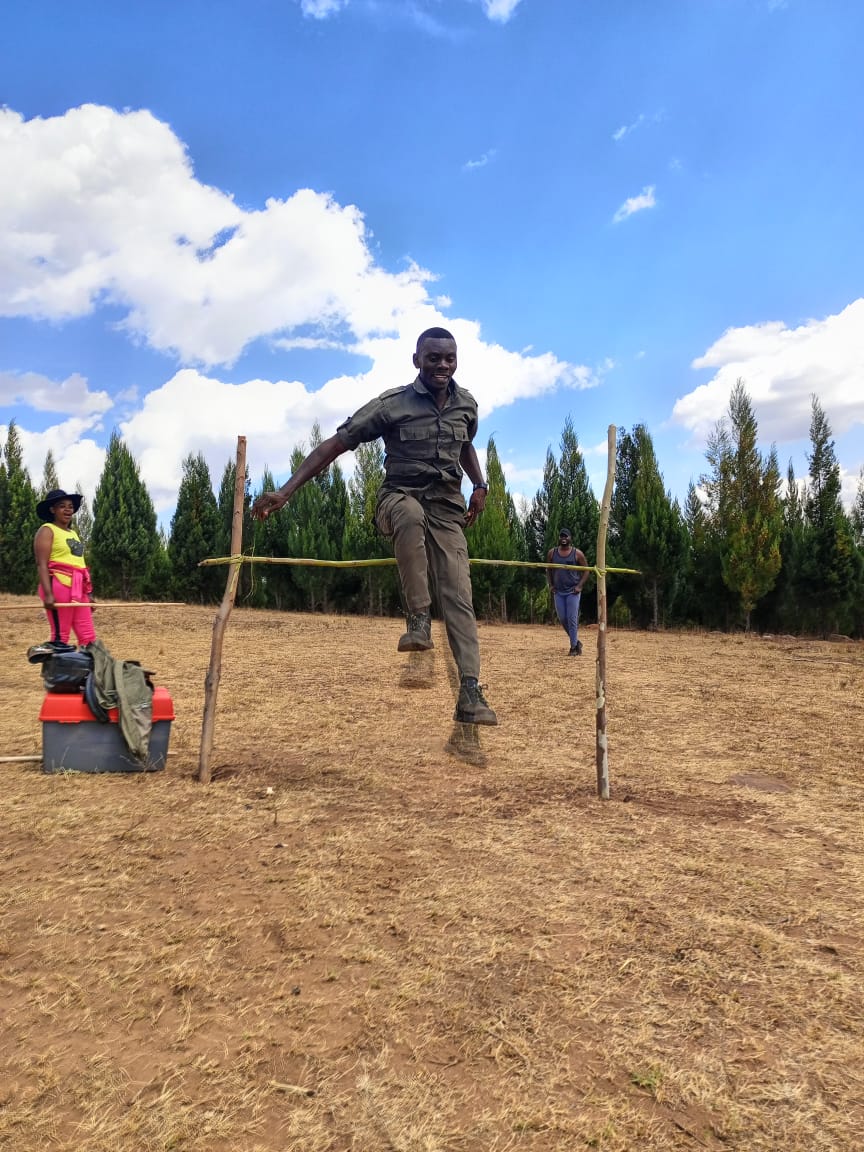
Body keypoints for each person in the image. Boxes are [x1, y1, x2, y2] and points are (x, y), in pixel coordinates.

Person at [252, 327, 497, 725]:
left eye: (449, 358)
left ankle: (470, 691)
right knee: (410, 515)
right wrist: (286, 491)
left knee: (459, 592)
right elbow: (335, 444)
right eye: (433, 357)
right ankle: (417, 619)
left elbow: (466, 444)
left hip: (446, 508)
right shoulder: (390, 405)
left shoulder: (465, 403)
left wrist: (480, 484)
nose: (442, 365)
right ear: (416, 360)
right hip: (397, 499)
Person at [33, 488, 97, 648]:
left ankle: (88, 672)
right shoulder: (47, 530)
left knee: (88, 636)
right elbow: (42, 563)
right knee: (61, 636)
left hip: (78, 588)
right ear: (52, 509)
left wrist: (88, 594)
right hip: (58, 585)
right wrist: (48, 594)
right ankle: (57, 673)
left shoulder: (73, 533)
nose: (68, 509)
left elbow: (79, 564)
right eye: (62, 506)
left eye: (70, 506)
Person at [546, 528, 588, 655]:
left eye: (566, 536)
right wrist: (551, 584)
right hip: (558, 591)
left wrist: (579, 586)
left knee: (572, 618)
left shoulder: (577, 554)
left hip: (572, 591)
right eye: (561, 536)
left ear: (570, 539)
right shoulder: (552, 553)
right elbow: (548, 569)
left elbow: (587, 570)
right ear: (559, 538)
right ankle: (576, 642)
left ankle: (574, 647)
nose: (564, 538)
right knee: (563, 618)